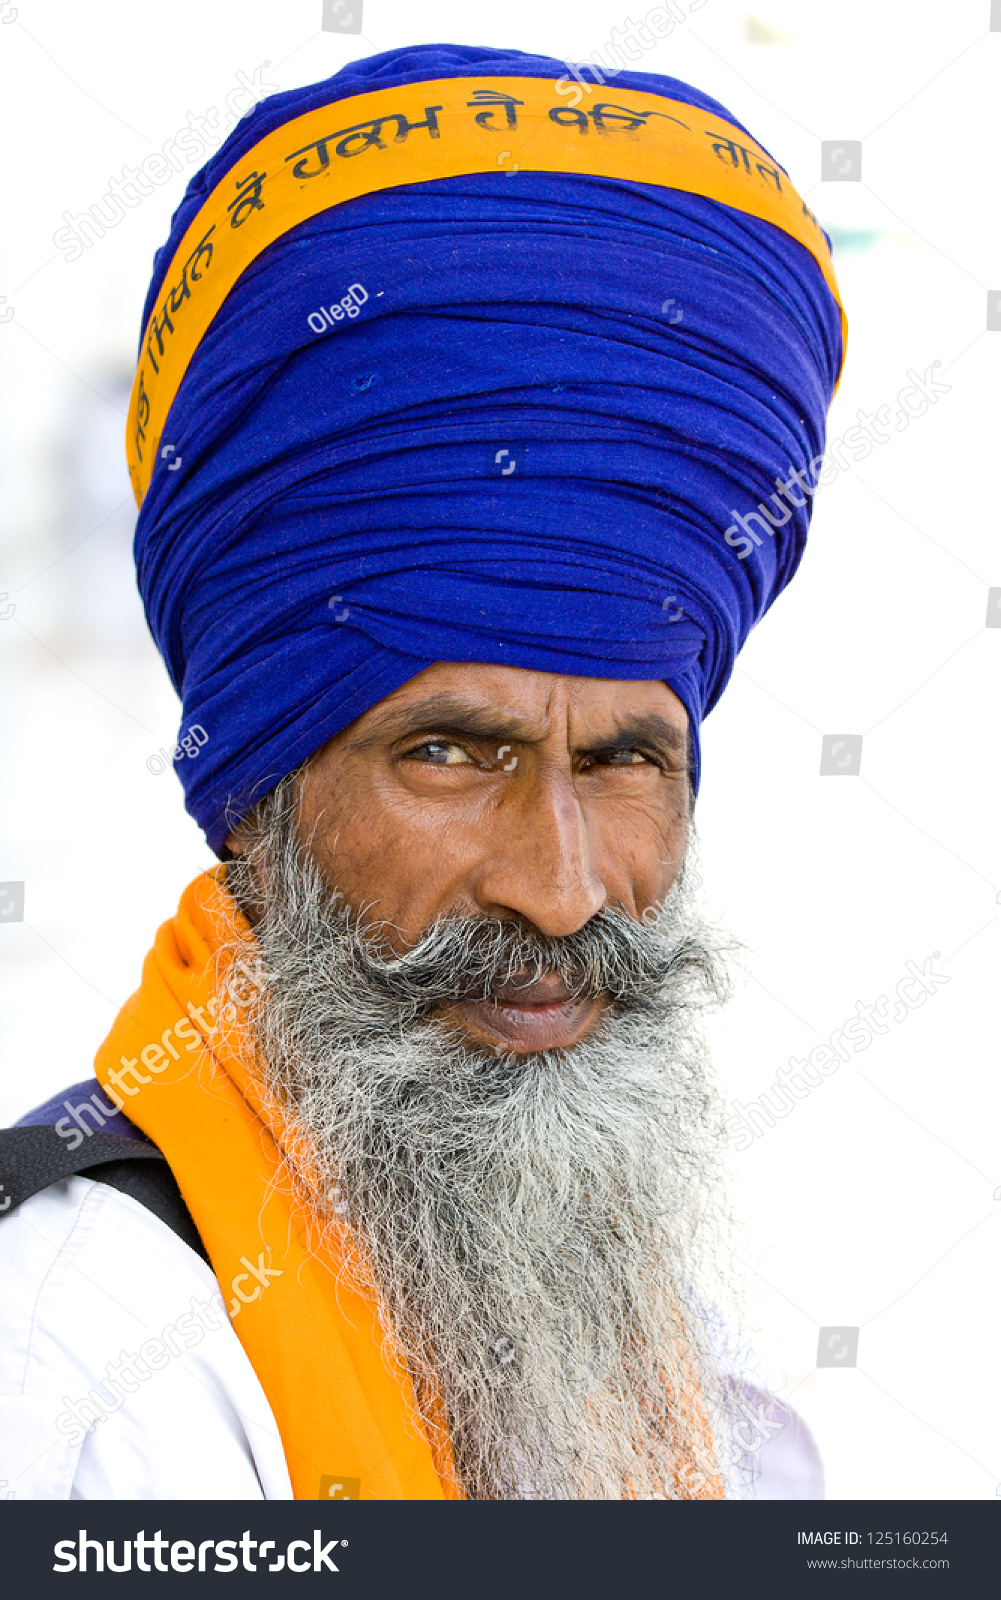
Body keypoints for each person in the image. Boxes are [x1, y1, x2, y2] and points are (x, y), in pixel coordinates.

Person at [0, 43, 842, 1501]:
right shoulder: (83, 1371)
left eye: (627, 761)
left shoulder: (643, 1338)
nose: (566, 892)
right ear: (257, 804)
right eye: (452, 753)